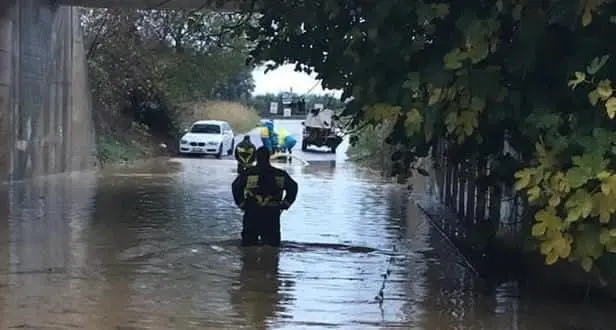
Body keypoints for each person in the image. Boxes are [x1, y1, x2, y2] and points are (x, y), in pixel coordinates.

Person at [231, 147, 298, 247]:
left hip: (252, 213)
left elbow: (236, 186)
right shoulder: (280, 174)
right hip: (271, 214)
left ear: (256, 157)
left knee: (248, 246)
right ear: (269, 157)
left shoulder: (248, 173)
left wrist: (242, 204)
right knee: (272, 247)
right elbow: (293, 187)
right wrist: (285, 204)